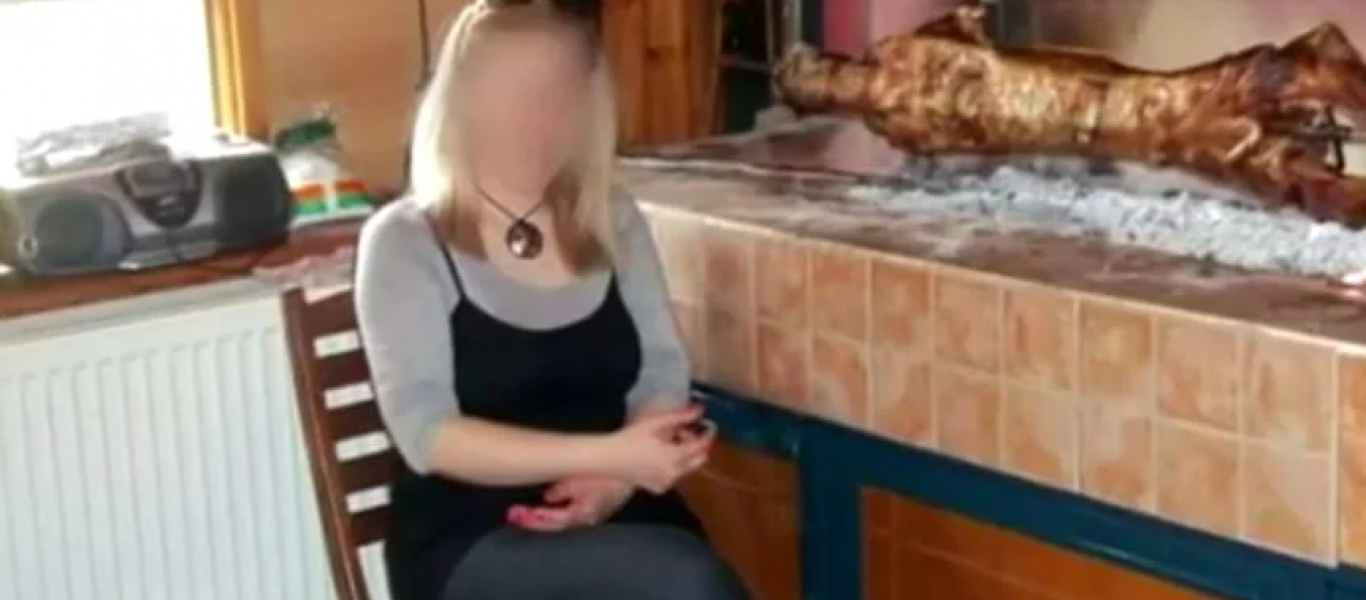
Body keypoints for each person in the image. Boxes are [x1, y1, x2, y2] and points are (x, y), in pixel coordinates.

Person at [353, 2, 755, 600]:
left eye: (562, 93)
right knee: (685, 581)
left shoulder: (612, 218)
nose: (541, 117)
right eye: (515, 93)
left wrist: (615, 483)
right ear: (464, 102)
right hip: (472, 535)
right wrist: (612, 455)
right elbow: (427, 434)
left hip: (617, 508)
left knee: (681, 573)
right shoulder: (406, 241)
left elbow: (661, 371)